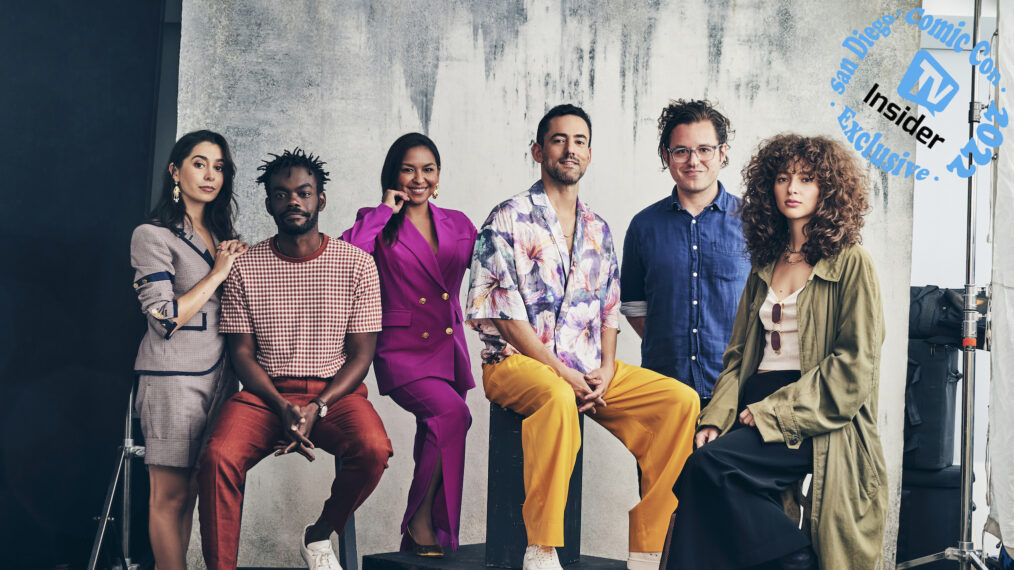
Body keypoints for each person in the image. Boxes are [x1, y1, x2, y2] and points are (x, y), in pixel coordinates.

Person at [466, 104, 700, 570]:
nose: (569, 149)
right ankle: (543, 547)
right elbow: (503, 315)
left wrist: (607, 368)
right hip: (515, 366)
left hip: (587, 367)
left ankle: (648, 546)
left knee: (679, 402)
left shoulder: (598, 228)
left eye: (579, 141)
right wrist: (561, 372)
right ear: (538, 150)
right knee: (555, 394)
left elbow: (610, 310)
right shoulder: (507, 218)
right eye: (558, 140)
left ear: (589, 155)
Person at [663, 134, 887, 570]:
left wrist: (773, 412)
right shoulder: (766, 264)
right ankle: (787, 558)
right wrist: (716, 417)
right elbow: (738, 358)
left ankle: (794, 558)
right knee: (700, 485)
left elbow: (855, 366)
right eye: (783, 178)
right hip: (754, 406)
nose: (792, 188)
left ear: (829, 189)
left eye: (806, 179)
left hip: (811, 414)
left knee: (707, 470)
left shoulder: (851, 262)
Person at [198, 149, 393, 570]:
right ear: (268, 203)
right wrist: (282, 407)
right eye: (281, 195)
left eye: (303, 193)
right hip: (265, 395)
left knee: (374, 448)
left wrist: (317, 406)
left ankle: (319, 534)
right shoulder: (245, 267)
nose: (293, 202)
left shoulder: (357, 264)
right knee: (217, 457)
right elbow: (242, 355)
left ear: (320, 200)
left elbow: (362, 355)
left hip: (335, 395)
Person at [341, 133, 476, 556]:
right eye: (408, 168)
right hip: (401, 349)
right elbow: (346, 257)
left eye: (428, 169)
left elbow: (494, 269)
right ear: (394, 174)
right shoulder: (378, 221)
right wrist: (385, 210)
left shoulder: (458, 222)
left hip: (447, 345)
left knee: (434, 432)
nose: (419, 178)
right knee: (452, 415)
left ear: (438, 177)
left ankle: (423, 533)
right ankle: (419, 522)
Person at [129, 129, 246, 570]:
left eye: (219, 167)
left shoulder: (223, 234)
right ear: (176, 171)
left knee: (193, 492)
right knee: (169, 494)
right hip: (172, 378)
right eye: (199, 163)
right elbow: (162, 318)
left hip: (221, 379)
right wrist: (218, 273)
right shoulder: (152, 235)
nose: (210, 174)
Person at [621, 99, 750, 408]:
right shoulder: (643, 226)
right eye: (682, 151)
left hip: (736, 392)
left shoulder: (753, 222)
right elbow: (634, 305)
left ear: (723, 152)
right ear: (667, 157)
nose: (694, 161)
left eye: (704, 149)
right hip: (663, 392)